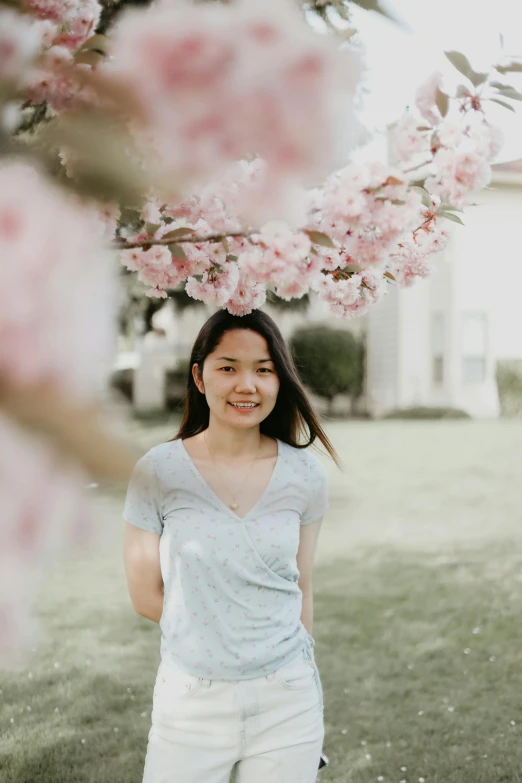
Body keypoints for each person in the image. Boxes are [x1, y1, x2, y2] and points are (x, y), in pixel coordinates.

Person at [122, 308, 341, 783]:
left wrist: (284, 654)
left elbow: (302, 583)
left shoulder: (305, 475)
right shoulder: (157, 471)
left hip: (288, 697)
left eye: (264, 369)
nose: (248, 385)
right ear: (199, 377)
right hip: (191, 701)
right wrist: (220, 637)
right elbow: (144, 596)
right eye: (228, 368)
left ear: (280, 379)